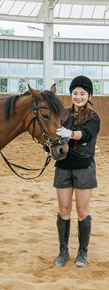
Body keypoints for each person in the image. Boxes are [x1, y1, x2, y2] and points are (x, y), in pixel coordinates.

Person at [53, 75, 100, 267]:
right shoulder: (62, 114)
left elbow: (86, 134)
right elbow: (53, 134)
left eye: (82, 93)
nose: (78, 96)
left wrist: (71, 134)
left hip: (84, 168)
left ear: (89, 95)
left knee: (82, 211)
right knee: (64, 209)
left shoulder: (93, 117)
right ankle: (63, 251)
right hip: (63, 167)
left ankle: (82, 251)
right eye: (75, 93)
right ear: (71, 94)